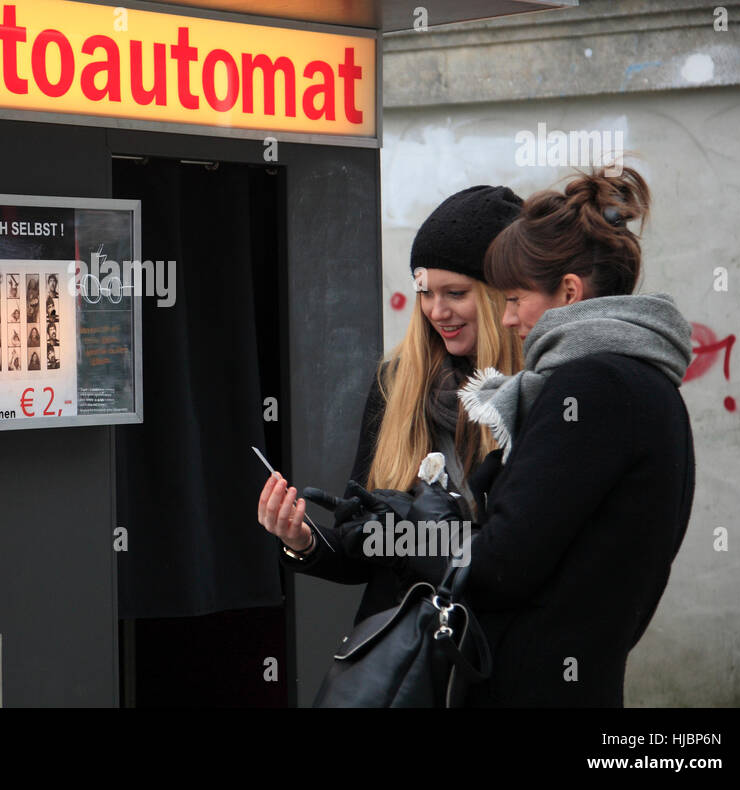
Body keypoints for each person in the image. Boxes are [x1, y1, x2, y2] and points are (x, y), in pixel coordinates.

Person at [437, 165, 694, 706]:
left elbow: (503, 563)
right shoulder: (649, 383)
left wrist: (425, 537)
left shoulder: (591, 386)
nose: (506, 319)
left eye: (513, 299)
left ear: (569, 292)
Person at [257, 186, 524, 623]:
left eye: (455, 293)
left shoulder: (537, 390)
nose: (437, 311)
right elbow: (361, 553)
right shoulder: (396, 381)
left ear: (502, 296)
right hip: (407, 659)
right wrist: (302, 540)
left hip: (496, 649)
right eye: (424, 292)